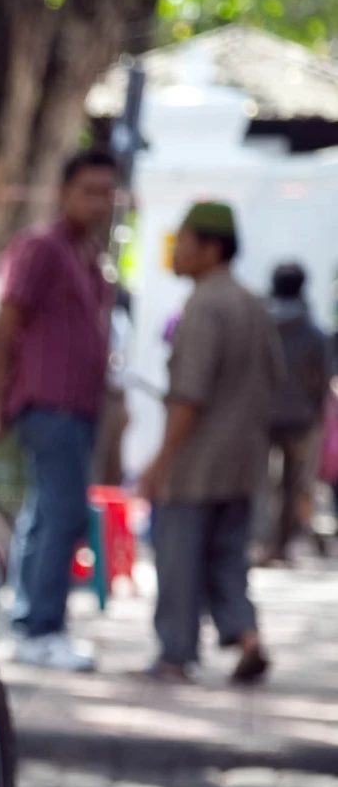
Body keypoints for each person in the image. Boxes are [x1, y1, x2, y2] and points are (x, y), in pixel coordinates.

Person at [137, 202, 283, 684]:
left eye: (181, 243)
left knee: (179, 557)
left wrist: (160, 462)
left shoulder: (203, 307)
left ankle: (175, 656)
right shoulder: (253, 304)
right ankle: (248, 638)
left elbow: (189, 396)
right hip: (245, 460)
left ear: (210, 248)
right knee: (227, 557)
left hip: (198, 459)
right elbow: (276, 383)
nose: (175, 254)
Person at [0, 147, 119, 672]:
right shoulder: (41, 248)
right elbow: (6, 322)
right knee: (62, 515)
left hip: (79, 408)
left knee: (46, 514)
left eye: (107, 192)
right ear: (64, 192)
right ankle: (41, 629)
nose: (99, 202)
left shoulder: (90, 259)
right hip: (47, 405)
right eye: (89, 190)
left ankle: (31, 624)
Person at [264, 261, 331, 561]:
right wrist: (317, 412)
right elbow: (322, 377)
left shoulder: (260, 324)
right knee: (292, 486)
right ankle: (279, 545)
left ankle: (258, 542)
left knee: (260, 482)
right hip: (300, 418)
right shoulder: (313, 331)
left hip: (259, 416)